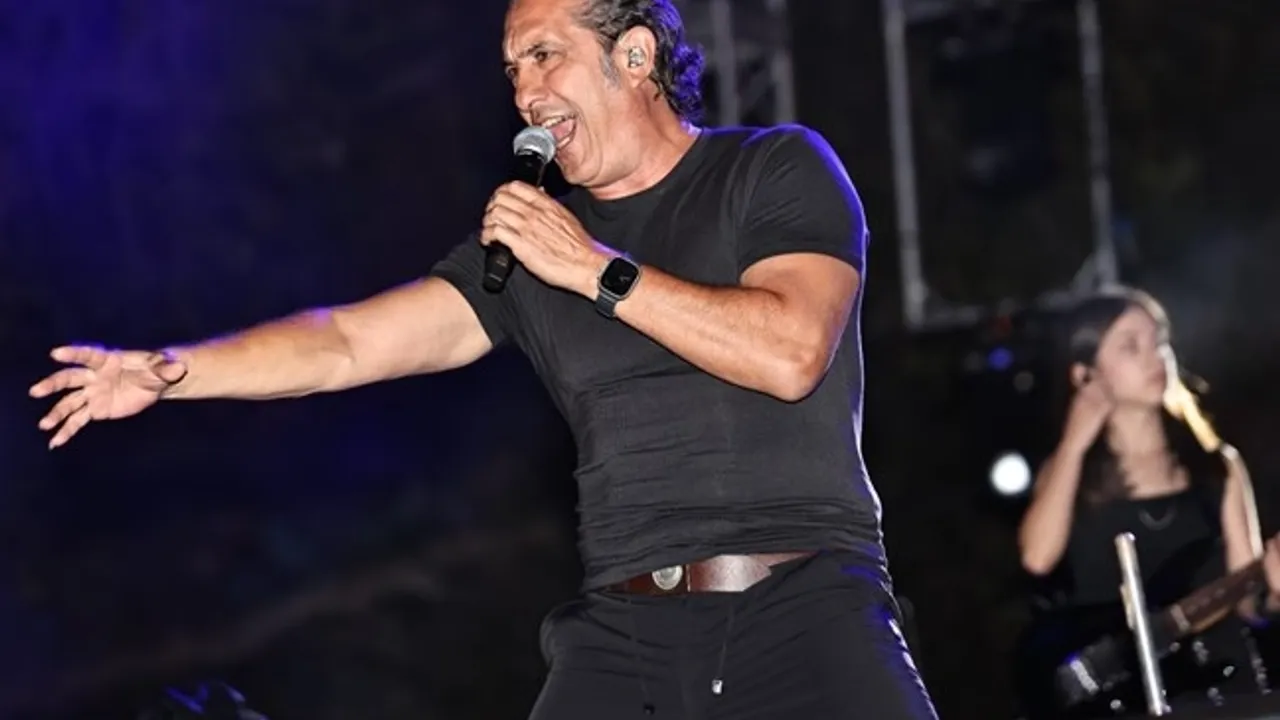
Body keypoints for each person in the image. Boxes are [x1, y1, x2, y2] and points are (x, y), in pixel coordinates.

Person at [29, 0, 939, 717]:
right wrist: (173, 370)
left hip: (803, 602)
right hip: (625, 632)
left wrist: (593, 270)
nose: (525, 92)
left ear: (634, 56)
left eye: (544, 56)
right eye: (512, 71)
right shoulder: (528, 254)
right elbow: (345, 342)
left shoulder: (773, 170)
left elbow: (790, 352)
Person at [1016, 286, 1280, 715]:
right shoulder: (1068, 473)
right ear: (1084, 374)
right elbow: (1037, 557)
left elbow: (1247, 598)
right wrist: (1075, 441)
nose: (1156, 357)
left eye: (1159, 341)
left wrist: (1272, 592)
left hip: (1222, 688)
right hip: (1119, 696)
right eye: (1130, 346)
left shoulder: (1217, 466)